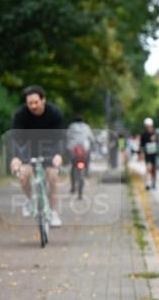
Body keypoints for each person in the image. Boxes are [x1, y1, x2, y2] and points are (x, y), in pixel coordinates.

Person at [9, 84, 66, 227]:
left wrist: (59, 154)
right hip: (28, 148)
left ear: (43, 100)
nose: (33, 106)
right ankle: (30, 200)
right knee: (23, 174)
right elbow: (16, 138)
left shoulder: (55, 113)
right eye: (30, 103)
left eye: (36, 102)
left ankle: (53, 212)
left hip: (50, 147)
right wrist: (16, 157)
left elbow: (60, 137)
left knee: (53, 175)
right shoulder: (20, 115)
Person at [66, 114, 96, 195]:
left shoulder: (71, 126)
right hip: (84, 149)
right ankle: (87, 172)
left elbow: (67, 137)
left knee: (73, 166)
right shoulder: (87, 127)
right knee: (87, 161)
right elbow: (92, 139)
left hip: (73, 149)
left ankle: (73, 186)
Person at [139, 118, 158, 191]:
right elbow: (141, 145)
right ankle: (148, 183)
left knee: (153, 169)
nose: (149, 127)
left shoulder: (156, 133)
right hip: (148, 154)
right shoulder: (144, 134)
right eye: (147, 126)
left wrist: (155, 139)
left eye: (150, 126)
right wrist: (141, 153)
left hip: (155, 154)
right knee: (148, 168)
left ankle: (153, 181)